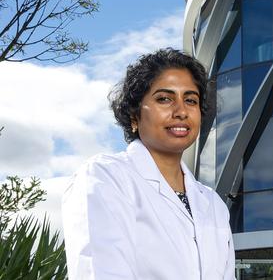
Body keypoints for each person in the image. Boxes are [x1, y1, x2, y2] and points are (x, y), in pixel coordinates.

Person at [62, 48, 235, 280]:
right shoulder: (105, 177)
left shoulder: (213, 204)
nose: (181, 111)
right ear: (134, 116)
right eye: (164, 99)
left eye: (191, 100)